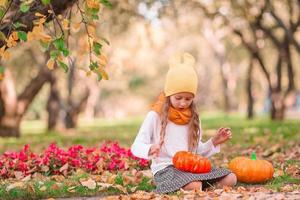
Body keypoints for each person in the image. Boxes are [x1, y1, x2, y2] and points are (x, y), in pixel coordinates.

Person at [131, 53, 237, 194]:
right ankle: (196, 187)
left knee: (231, 178)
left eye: (188, 99)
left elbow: (196, 152)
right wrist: (148, 149)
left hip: (190, 168)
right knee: (194, 185)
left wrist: (214, 141)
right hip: (166, 169)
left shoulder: (194, 118)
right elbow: (135, 146)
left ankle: (198, 187)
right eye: (178, 97)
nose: (183, 103)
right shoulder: (155, 116)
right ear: (169, 94)